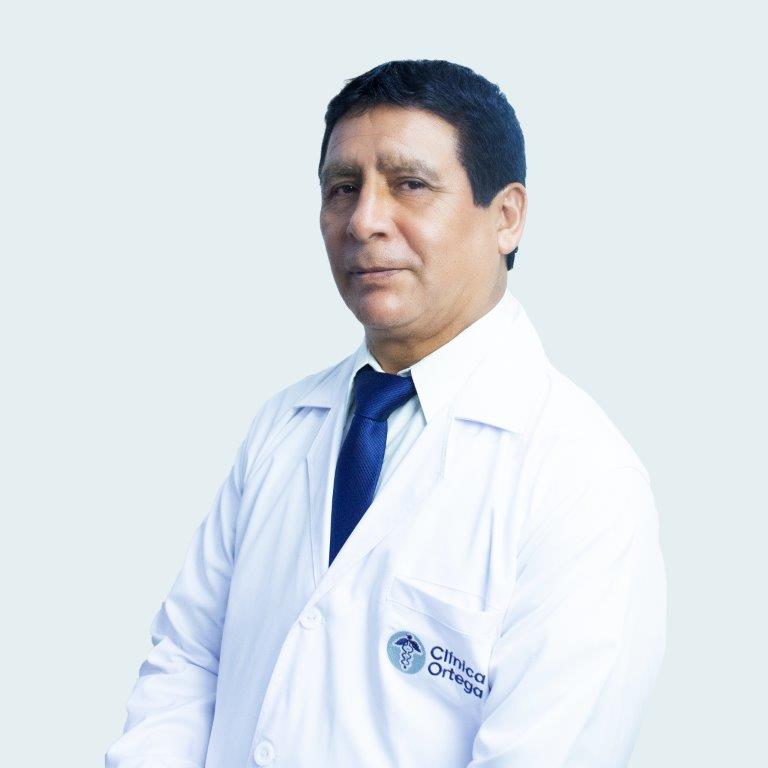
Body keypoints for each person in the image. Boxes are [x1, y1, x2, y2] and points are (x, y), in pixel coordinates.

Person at [105, 59, 667, 768]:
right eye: (343, 188)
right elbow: (187, 663)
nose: (364, 221)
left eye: (410, 184)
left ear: (506, 217)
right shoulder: (284, 425)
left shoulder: (581, 478)